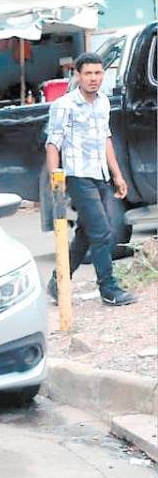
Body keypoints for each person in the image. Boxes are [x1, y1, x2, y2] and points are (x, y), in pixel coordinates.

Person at [45, 52, 136, 306]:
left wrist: (117, 175)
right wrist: (57, 181)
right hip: (78, 176)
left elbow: (105, 139)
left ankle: (58, 282)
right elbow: (53, 143)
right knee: (103, 232)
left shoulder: (103, 103)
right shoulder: (64, 105)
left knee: (86, 233)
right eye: (88, 73)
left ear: (102, 75)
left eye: (98, 73)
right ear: (77, 75)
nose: (93, 78)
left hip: (101, 175)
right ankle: (108, 288)